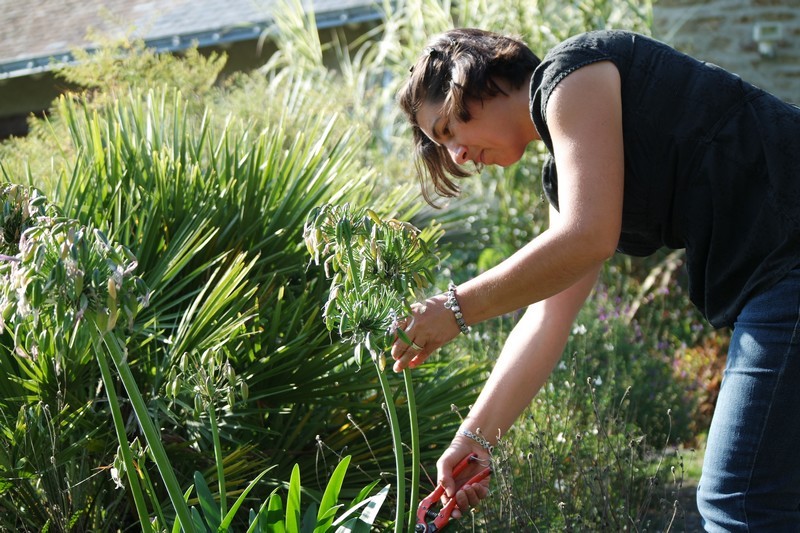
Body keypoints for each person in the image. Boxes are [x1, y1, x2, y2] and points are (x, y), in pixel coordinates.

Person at [392, 27, 800, 531]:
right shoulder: (565, 176)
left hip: (789, 257)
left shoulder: (572, 74)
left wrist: (455, 309)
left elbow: (589, 236)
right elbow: (547, 316)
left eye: (449, 129)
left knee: (739, 502)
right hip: (778, 271)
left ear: (475, 80)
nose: (456, 156)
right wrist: (474, 439)